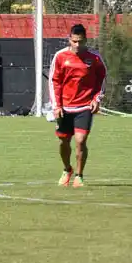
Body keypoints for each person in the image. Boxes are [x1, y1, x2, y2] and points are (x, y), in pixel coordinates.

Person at [49, 23, 107, 187]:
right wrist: (56, 105)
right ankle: (67, 169)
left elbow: (102, 78)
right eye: (74, 41)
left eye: (80, 42)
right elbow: (55, 82)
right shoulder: (60, 57)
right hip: (65, 107)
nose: (77, 45)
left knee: (80, 140)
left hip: (84, 106)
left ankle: (79, 175)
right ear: (69, 40)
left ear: (85, 40)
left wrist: (97, 99)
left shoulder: (94, 58)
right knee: (63, 141)